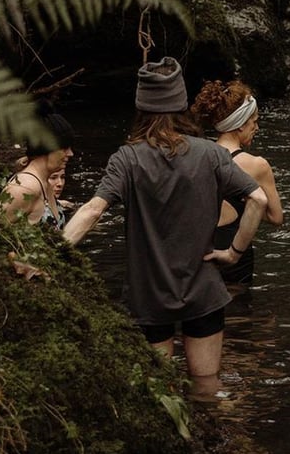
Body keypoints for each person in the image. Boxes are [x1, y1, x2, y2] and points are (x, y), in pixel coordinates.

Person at [63, 57, 267, 393]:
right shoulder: (211, 154)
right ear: (181, 104)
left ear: (141, 106)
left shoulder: (127, 159)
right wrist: (233, 253)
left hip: (149, 297)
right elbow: (258, 200)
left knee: (159, 392)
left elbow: (92, 211)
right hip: (203, 291)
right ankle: (213, 426)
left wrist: (51, 254)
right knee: (207, 385)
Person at [191, 78, 285, 286]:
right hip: (233, 253)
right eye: (254, 121)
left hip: (198, 252)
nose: (256, 127)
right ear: (241, 125)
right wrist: (246, 200)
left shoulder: (197, 157)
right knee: (238, 303)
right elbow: (276, 217)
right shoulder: (257, 165)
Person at [3, 102, 74, 228]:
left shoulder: (44, 182)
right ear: (46, 148)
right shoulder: (24, 188)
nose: (70, 154)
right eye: (64, 148)